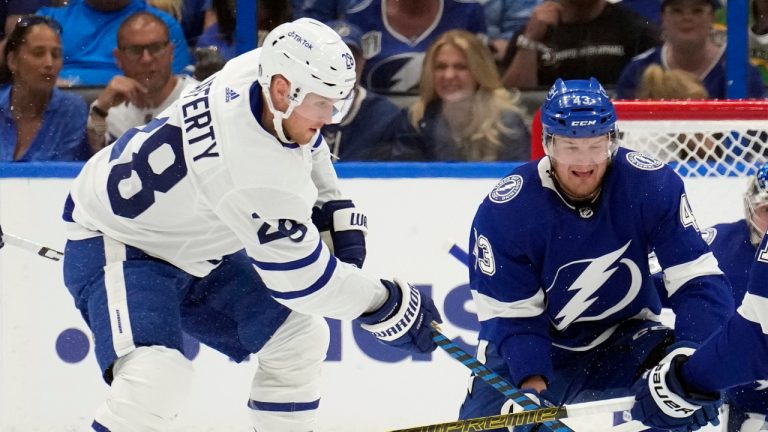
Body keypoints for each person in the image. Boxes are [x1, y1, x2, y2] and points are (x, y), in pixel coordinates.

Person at [61, 17, 441, 432]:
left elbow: (305, 141)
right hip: (119, 242)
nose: (330, 118)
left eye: (337, 103)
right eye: (322, 104)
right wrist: (385, 303)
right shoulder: (252, 176)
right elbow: (303, 283)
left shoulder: (258, 69)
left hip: (191, 245)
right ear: (283, 90)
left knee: (298, 339)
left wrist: (333, 202)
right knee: (156, 379)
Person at [457, 77, 733, 431]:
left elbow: (699, 280)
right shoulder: (508, 210)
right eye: (570, 147)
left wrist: (691, 361)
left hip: (622, 340)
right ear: (548, 145)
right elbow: (514, 318)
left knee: (685, 399)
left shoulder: (651, 186)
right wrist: (531, 389)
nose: (584, 162)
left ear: (613, 141)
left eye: (596, 145)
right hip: (535, 346)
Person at [645, 164, 768, 432]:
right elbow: (655, 287)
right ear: (750, 206)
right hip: (734, 392)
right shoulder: (720, 244)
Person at [396, 29, 530, 161]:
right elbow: (404, 178)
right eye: (441, 67)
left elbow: (520, 179)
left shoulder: (507, 123)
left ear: (479, 72)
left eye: (461, 67)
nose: (449, 76)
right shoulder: (416, 119)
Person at [86, 12, 198, 152]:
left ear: (170, 52)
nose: (146, 59)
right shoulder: (108, 109)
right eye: (135, 50)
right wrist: (100, 111)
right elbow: (98, 154)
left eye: (156, 48)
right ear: (118, 58)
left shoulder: (197, 99)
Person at [617, 0, 766, 100]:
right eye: (677, 11)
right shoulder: (638, 69)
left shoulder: (741, 72)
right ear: (663, 16)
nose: (687, 17)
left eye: (697, 10)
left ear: (712, 17)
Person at [500, 0, 659, 89]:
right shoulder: (533, 30)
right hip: (547, 132)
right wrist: (530, 40)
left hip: (615, 129)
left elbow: (653, 92)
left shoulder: (632, 27)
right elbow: (513, 101)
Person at [36, 0, 192, 86]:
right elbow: (21, 81)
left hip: (135, 120)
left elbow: (179, 91)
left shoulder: (161, 27)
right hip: (59, 117)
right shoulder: (47, 21)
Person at [346, 0, 487, 94]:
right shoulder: (358, 16)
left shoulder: (468, 13)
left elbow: (485, 80)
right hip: (378, 125)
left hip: (446, 122)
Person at [0, 15, 90, 161]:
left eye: (56, 55)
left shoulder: (71, 109)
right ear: (12, 61)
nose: (49, 63)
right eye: (38, 53)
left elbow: (60, 175)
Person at [322, 19, 409, 161]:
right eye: (331, 57)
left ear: (362, 62)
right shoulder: (294, 110)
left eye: (350, 58)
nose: (341, 66)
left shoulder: (385, 116)